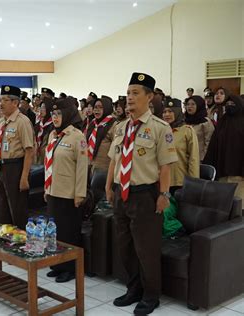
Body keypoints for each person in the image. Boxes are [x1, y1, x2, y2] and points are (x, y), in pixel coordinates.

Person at [105, 72, 178, 315]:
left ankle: (151, 295)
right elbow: (114, 161)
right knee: (125, 247)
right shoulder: (121, 127)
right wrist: (108, 186)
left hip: (145, 194)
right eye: (128, 93)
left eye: (135, 93)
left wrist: (164, 195)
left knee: (146, 249)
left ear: (150, 97)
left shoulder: (160, 128)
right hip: (121, 193)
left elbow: (166, 166)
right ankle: (133, 289)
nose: (130, 97)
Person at [44, 97, 88, 283]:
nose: (55, 117)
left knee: (69, 233)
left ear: (68, 114)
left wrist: (80, 193)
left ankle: (70, 268)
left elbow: (82, 167)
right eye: (53, 114)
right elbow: (49, 164)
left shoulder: (77, 136)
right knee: (55, 231)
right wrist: (47, 188)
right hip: (53, 191)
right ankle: (57, 264)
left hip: (69, 193)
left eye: (59, 114)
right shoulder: (53, 135)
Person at [0, 85, 34, 227]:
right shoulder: (1, 121)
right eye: (0, 100)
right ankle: (6, 240)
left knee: (17, 210)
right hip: (1, 167)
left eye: (5, 100)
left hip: (16, 168)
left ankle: (21, 242)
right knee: (3, 208)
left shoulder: (22, 122)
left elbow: (29, 151)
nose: (1, 103)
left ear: (15, 103)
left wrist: (24, 177)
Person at [204, 95, 244, 207]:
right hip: (222, 171)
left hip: (239, 173)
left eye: (233, 104)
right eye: (228, 104)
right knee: (223, 205)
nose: (230, 106)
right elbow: (213, 145)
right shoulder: (223, 121)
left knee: (238, 205)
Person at [162, 98, 200, 193]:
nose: (167, 115)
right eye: (165, 111)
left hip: (180, 182)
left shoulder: (187, 131)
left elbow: (193, 159)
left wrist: (193, 183)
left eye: (170, 111)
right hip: (162, 182)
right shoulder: (160, 131)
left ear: (178, 112)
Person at [86, 96, 116, 174]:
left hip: (104, 168)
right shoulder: (93, 123)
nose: (97, 109)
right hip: (89, 164)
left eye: (100, 107)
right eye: (95, 107)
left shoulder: (113, 124)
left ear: (106, 108)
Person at [184, 95, 214, 161]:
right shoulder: (184, 121)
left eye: (193, 104)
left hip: (200, 158)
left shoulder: (205, 122)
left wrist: (204, 159)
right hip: (185, 158)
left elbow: (208, 142)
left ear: (199, 106)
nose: (189, 106)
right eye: (188, 104)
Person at [35, 98, 54, 164]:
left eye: (44, 108)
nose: (41, 110)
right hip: (37, 157)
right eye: (41, 107)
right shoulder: (38, 124)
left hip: (48, 158)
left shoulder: (53, 125)